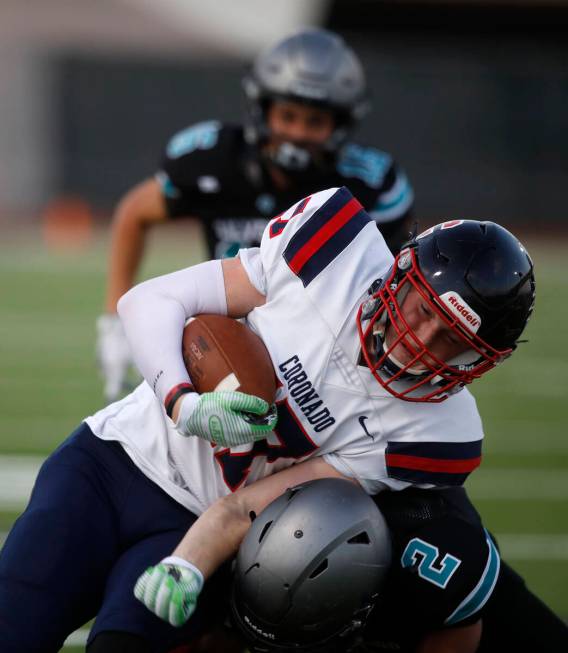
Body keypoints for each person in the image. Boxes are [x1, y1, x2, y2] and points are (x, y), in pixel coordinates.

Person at [0, 188, 534, 652]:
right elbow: (149, 300)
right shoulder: (334, 253)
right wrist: (184, 402)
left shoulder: (437, 435)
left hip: (191, 521)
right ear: (401, 272)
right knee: (17, 626)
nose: (421, 344)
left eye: (454, 344)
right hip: (111, 463)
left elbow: (252, 503)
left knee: (123, 642)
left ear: (483, 361)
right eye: (424, 312)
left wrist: (188, 562)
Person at [97, 27, 415, 402]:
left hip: (324, 356)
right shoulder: (213, 158)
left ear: (340, 124)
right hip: (223, 337)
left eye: (315, 121)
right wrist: (114, 323)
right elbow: (135, 212)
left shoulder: (371, 183)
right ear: (263, 109)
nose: (298, 132)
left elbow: (397, 283)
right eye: (288, 115)